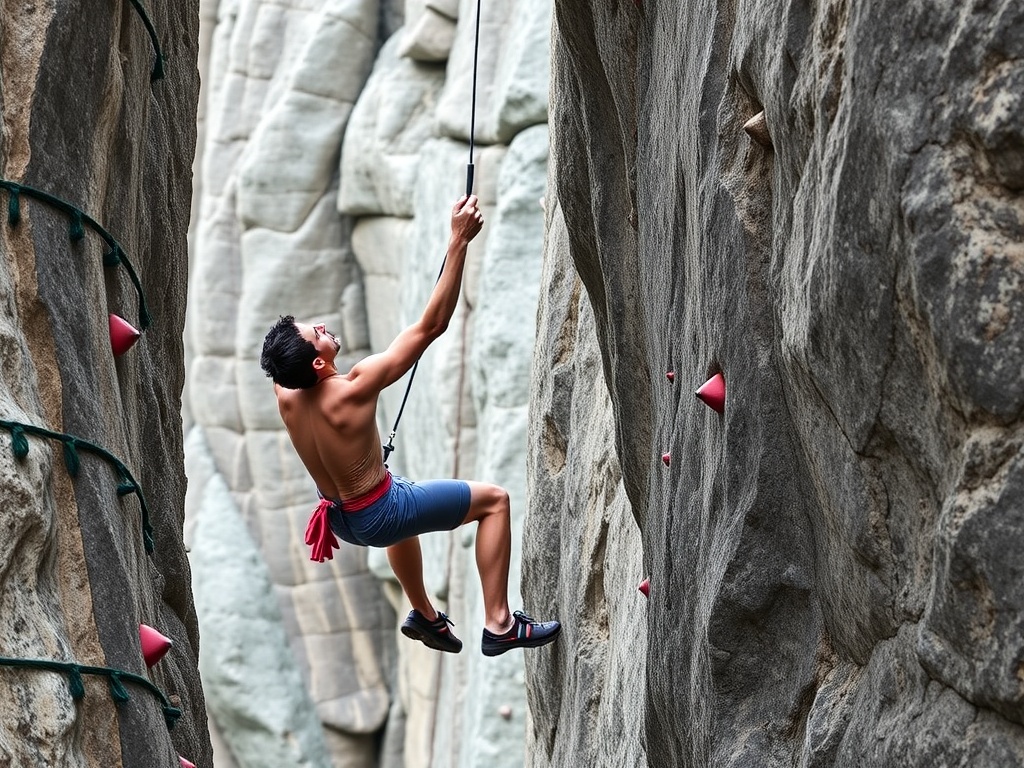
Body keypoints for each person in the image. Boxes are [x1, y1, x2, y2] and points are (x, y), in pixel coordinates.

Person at [259, 194, 560, 657]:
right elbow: (431, 326)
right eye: (316, 333)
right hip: (377, 512)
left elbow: (281, 366)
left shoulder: (287, 396)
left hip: (341, 519)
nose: (322, 326)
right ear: (319, 363)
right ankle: (499, 624)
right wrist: (458, 241)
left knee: (398, 507)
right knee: (494, 502)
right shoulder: (354, 388)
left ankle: (425, 615)